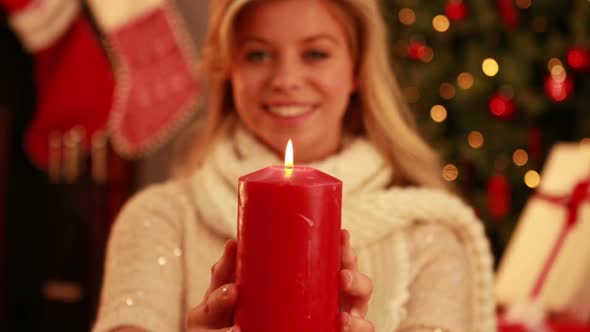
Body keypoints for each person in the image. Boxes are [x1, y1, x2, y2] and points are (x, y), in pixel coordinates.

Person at [92, 0, 496, 331]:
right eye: (258, 54)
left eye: (316, 53)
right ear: (230, 69)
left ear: (355, 70)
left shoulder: (429, 237)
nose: (285, 79)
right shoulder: (160, 219)